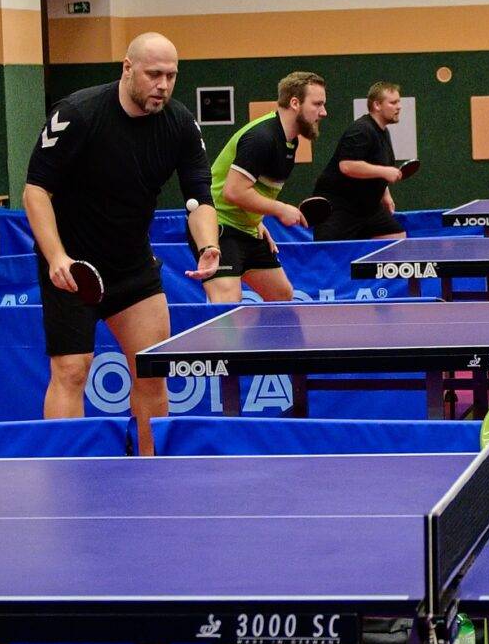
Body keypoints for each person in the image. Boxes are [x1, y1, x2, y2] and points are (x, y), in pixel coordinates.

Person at [24, 32, 219, 454]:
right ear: (127, 68)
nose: (163, 85)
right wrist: (56, 257)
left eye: (171, 76)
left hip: (131, 264)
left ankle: (151, 471)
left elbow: (200, 198)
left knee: (152, 371)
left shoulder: (180, 124)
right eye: (154, 74)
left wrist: (207, 246)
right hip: (72, 267)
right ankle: (65, 474)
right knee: (71, 370)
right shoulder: (77, 114)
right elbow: (35, 191)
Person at [205, 72, 331, 304]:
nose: (323, 112)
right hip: (218, 225)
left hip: (247, 228)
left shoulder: (289, 141)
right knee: (226, 303)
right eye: (317, 104)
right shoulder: (261, 137)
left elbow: (253, 189)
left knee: (281, 296)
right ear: (295, 103)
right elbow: (233, 191)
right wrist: (281, 209)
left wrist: (257, 221)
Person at [308, 82, 410, 243]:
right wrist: (385, 172)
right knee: (330, 251)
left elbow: (376, 163)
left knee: (396, 237)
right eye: (393, 102)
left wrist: (385, 194)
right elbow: (347, 165)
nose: (399, 107)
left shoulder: (383, 132)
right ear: (377, 105)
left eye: (399, 102)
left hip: (367, 205)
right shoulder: (361, 130)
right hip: (339, 206)